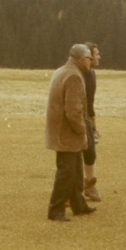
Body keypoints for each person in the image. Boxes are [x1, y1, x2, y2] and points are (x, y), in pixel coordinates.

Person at [46, 44, 97, 222]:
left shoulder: (63, 71)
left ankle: (79, 205)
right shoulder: (74, 76)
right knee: (67, 172)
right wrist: (83, 131)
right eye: (90, 58)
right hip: (68, 133)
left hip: (61, 131)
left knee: (75, 170)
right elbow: (74, 111)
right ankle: (55, 209)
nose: (91, 61)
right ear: (82, 59)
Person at [81, 42, 102, 202]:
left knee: (90, 152)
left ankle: (89, 184)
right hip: (74, 117)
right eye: (96, 54)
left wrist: (93, 121)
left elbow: (90, 101)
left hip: (86, 116)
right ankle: (72, 189)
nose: (99, 57)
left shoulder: (92, 74)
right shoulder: (77, 74)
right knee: (72, 155)